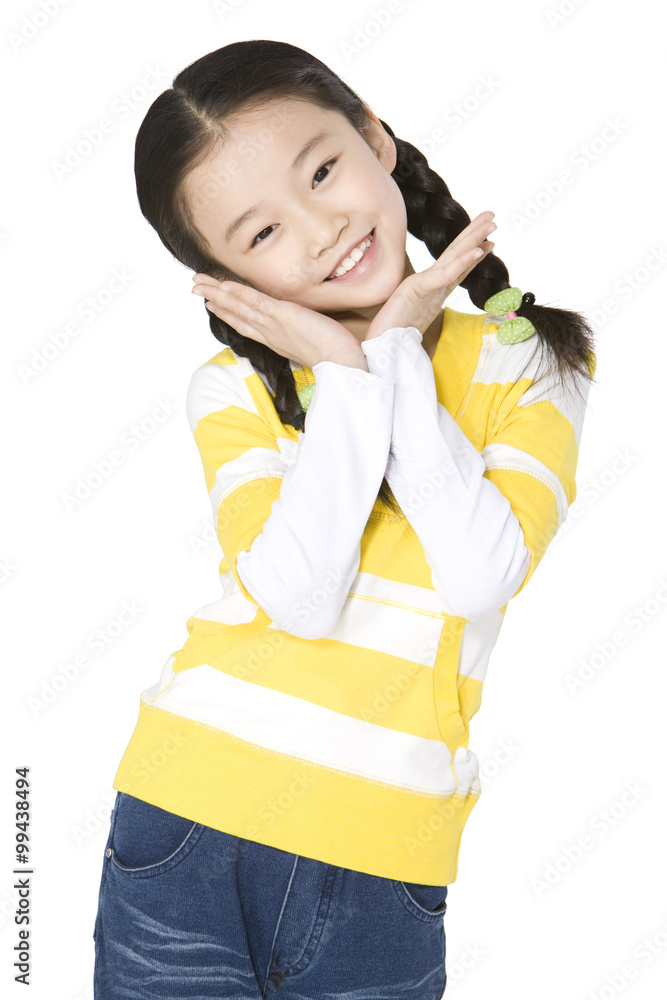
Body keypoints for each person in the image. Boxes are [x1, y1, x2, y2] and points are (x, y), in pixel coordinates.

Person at [92, 39, 597, 999]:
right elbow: (299, 598)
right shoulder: (233, 388)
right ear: (225, 279)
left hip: (387, 843)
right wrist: (346, 375)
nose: (320, 230)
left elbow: (481, 569)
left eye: (322, 170)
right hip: (188, 814)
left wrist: (395, 349)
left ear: (376, 137)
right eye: (261, 234)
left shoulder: (532, 357)